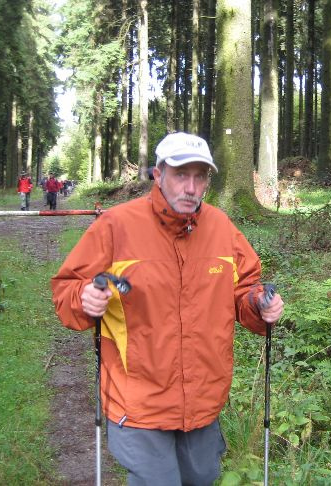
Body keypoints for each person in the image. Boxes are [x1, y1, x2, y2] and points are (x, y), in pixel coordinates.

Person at [51, 132, 284, 485]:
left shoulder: (221, 227)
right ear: (158, 175)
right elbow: (67, 289)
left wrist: (259, 304)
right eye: (180, 175)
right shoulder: (116, 225)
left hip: (204, 398)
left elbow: (245, 289)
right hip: (138, 401)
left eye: (200, 177)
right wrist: (84, 297)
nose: (191, 188)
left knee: (201, 479)